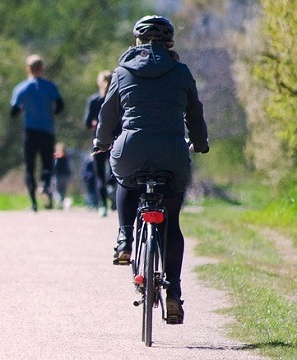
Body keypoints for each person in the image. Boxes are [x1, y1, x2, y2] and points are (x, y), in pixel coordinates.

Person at [93, 15, 209, 324]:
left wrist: (101, 142)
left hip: (131, 151)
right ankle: (174, 294)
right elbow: (194, 115)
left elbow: (107, 116)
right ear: (170, 43)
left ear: (137, 42)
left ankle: (124, 239)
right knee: (172, 222)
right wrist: (200, 143)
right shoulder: (181, 72)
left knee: (125, 180)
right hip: (172, 154)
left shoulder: (121, 72)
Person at [10, 54, 64, 212]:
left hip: (30, 131)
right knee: (48, 163)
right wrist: (51, 113)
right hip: (47, 130)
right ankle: (45, 183)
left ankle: (33, 203)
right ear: (42, 68)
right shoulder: (50, 87)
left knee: (30, 167)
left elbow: (13, 112)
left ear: (28, 69)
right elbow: (60, 105)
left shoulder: (21, 88)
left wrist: (23, 108)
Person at [83, 70, 115, 217]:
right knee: (116, 170)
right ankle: (112, 190)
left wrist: (94, 123)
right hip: (115, 140)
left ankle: (103, 205)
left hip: (98, 141)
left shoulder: (94, 100)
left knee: (100, 174)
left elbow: (86, 123)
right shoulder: (117, 99)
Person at [51, 143, 72, 209]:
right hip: (65, 176)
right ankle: (62, 204)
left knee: (56, 191)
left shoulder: (57, 157)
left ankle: (61, 202)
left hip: (58, 176)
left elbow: (55, 166)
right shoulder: (67, 157)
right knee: (62, 191)